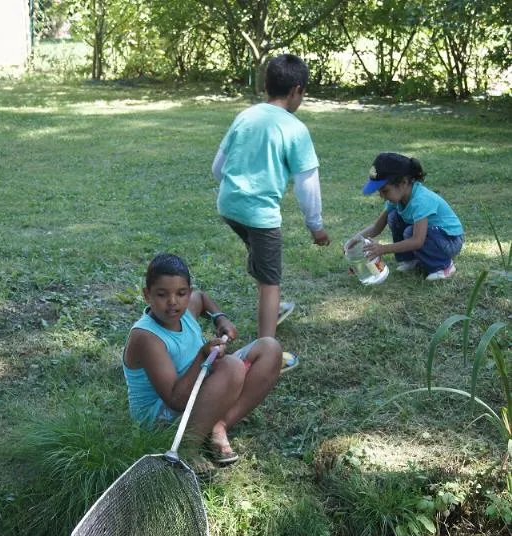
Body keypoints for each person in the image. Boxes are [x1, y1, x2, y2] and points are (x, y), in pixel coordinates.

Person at [212, 53, 331, 372]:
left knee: (260, 259)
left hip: (228, 206)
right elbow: (308, 183)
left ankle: (271, 309)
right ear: (296, 90)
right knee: (270, 281)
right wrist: (316, 226)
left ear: (266, 85)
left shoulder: (245, 116)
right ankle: (266, 356)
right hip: (259, 215)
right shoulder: (295, 129)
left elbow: (217, 167)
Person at [123, 253, 282, 473]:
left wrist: (220, 317)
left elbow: (202, 297)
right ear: (147, 295)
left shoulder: (187, 309)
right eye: (162, 294)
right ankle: (188, 447)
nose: (173, 302)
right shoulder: (147, 337)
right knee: (231, 367)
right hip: (160, 416)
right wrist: (202, 357)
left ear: (187, 291)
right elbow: (176, 399)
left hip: (196, 386)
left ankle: (219, 424)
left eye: (181, 293)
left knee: (269, 348)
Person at [345, 152, 464, 281]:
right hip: (433, 236)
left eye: (384, 191)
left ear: (403, 182)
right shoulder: (396, 200)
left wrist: (383, 249)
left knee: (410, 232)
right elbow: (376, 227)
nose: (381, 196)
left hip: (450, 240)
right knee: (393, 217)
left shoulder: (421, 200)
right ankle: (410, 260)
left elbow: (417, 241)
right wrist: (353, 240)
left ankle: (444, 266)